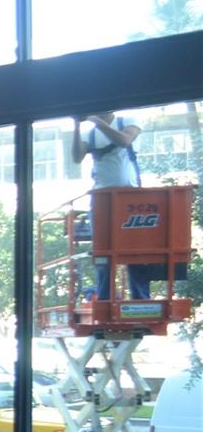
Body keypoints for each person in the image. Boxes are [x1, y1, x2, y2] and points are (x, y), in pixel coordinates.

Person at [71, 112, 153, 299]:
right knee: (103, 250)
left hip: (130, 197)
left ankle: (140, 299)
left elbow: (124, 140)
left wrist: (96, 121)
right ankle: (104, 298)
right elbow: (77, 157)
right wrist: (76, 126)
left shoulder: (128, 121)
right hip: (102, 198)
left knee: (135, 249)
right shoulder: (90, 135)